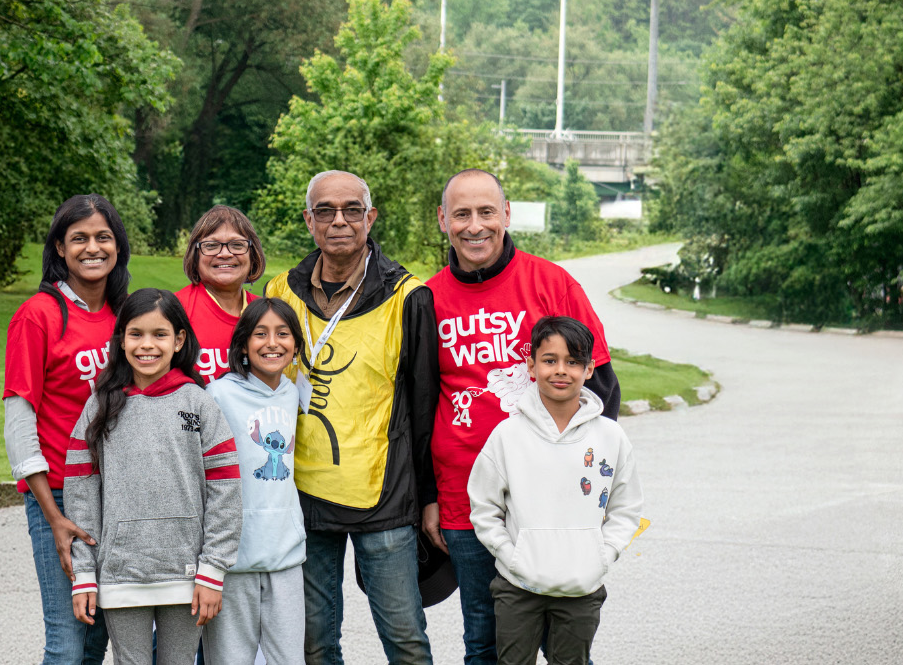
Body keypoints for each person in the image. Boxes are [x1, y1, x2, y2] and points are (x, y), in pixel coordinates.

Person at [422, 169, 620, 665]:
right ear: (443, 220)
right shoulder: (426, 299)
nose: (475, 226)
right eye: (462, 214)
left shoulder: (552, 284)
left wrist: (585, 489)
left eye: (487, 212)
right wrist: (426, 498)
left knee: (565, 649)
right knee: (485, 645)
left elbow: (601, 392)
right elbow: (417, 407)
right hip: (466, 502)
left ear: (506, 215)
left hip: (551, 509)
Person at [259, 170, 439, 665]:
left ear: (370, 217)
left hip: (384, 498)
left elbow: (426, 408)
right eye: (325, 211)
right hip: (302, 498)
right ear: (308, 221)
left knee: (405, 641)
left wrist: (430, 498)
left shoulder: (409, 297)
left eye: (351, 210)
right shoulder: (280, 291)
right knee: (315, 645)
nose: (338, 221)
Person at [64, 288, 242, 665]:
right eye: (136, 334)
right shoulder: (99, 406)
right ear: (121, 340)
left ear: (179, 340)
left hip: (189, 573)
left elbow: (225, 489)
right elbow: (81, 492)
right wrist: (83, 573)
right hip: (121, 571)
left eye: (159, 334)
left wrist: (212, 569)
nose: (147, 345)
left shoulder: (199, 402)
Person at [466, 316, 643, 665]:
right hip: (518, 588)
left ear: (590, 368)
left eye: (573, 362)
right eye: (550, 360)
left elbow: (626, 508)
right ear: (531, 366)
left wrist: (601, 557)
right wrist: (511, 556)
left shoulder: (610, 437)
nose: (561, 371)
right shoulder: (508, 435)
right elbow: (484, 507)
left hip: (582, 588)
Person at [3, 194, 131, 664]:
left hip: (115, 493)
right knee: (68, 641)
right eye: (79, 238)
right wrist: (52, 518)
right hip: (58, 495)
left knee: (96, 633)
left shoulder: (125, 316)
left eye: (103, 237)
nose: (92, 248)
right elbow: (19, 422)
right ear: (59, 248)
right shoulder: (38, 314)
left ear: (118, 247)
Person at [202, 298, 310, 665]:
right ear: (243, 344)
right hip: (234, 558)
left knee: (288, 660)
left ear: (295, 345)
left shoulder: (293, 393)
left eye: (283, 334)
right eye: (260, 334)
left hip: (285, 553)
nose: (272, 343)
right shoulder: (218, 394)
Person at [177, 205, 267, 384]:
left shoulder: (267, 314)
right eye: (211, 246)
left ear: (253, 254)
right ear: (195, 256)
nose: (225, 254)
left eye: (237, 245)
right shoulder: (175, 309)